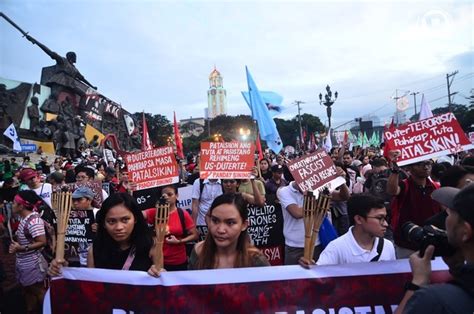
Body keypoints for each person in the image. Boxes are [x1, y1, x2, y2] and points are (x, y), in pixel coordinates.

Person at [396, 184, 474, 313]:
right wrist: (457, 270)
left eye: (449, 213)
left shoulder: (435, 301)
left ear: (465, 232)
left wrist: (418, 282)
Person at [49, 193, 161, 276]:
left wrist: (159, 274)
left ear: (135, 219)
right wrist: (64, 272)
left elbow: (160, 278)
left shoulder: (152, 246)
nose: (119, 227)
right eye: (111, 221)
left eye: (125, 220)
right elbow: (90, 285)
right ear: (103, 223)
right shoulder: (94, 250)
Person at [277, 167, 350, 265]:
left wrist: (341, 181)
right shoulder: (284, 191)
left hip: (317, 243)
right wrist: (320, 203)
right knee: (294, 279)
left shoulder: (318, 189)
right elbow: (297, 213)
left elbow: (343, 196)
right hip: (295, 247)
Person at [299, 194, 395, 267]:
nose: (385, 224)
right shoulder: (336, 248)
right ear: (359, 219)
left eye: (385, 218)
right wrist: (311, 269)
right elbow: (321, 277)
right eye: (379, 218)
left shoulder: (388, 246)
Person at [189, 193, 270, 269]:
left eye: (230, 223)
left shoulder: (255, 260)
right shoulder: (198, 252)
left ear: (244, 225)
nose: (220, 230)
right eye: (215, 221)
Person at [387, 159, 441, 258]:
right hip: (407, 243)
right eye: (420, 164)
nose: (426, 167)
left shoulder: (435, 187)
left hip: (432, 242)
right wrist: (395, 170)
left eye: (428, 163)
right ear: (409, 168)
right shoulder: (405, 185)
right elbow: (392, 191)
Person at [8, 190, 48, 314]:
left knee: (38, 291)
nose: (11, 205)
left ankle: (45, 310)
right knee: (28, 290)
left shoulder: (33, 221)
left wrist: (21, 248)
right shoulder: (25, 218)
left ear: (22, 205)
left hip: (33, 263)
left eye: (14, 203)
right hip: (24, 262)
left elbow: (42, 242)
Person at [143, 185, 198, 271]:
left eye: (170, 194)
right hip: (157, 261)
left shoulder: (182, 214)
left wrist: (179, 241)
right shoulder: (155, 212)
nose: (167, 197)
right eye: (164, 195)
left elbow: (195, 235)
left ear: (176, 196)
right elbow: (136, 215)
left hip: (178, 261)